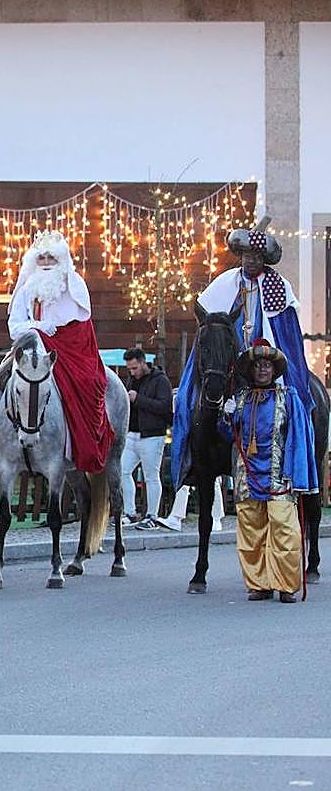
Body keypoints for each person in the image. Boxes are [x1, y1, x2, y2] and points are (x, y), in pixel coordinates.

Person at [172, 222, 314, 489]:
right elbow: (209, 323)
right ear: (241, 257)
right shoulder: (226, 282)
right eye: (247, 256)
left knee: (295, 398)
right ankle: (191, 460)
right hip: (228, 358)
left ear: (264, 260)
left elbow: (287, 330)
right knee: (185, 399)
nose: (251, 261)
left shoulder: (278, 286)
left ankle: (291, 463)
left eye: (256, 257)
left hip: (265, 356)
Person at [0, 230, 113, 474]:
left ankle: (73, 446)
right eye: (42, 259)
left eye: (52, 259)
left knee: (85, 383)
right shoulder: (27, 288)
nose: (47, 264)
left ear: (61, 260)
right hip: (28, 346)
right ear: (34, 261)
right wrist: (37, 326)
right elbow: (14, 327)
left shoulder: (72, 285)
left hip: (65, 352)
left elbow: (81, 325)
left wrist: (55, 333)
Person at [217, 339, 318, 602]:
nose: (262, 370)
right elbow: (230, 435)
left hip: (278, 476)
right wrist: (225, 417)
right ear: (251, 370)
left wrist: (294, 473)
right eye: (258, 365)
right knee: (251, 533)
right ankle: (259, 584)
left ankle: (286, 585)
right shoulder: (240, 399)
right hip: (247, 476)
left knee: (285, 531)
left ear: (274, 371)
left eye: (267, 366)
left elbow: (298, 437)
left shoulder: (289, 398)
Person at [120, 348, 173, 529]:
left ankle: (152, 515)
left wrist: (138, 399)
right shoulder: (132, 380)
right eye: (130, 369)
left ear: (143, 363)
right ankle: (130, 512)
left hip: (152, 435)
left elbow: (165, 407)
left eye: (134, 368)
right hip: (132, 434)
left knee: (151, 476)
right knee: (123, 471)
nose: (132, 372)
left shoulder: (160, 380)